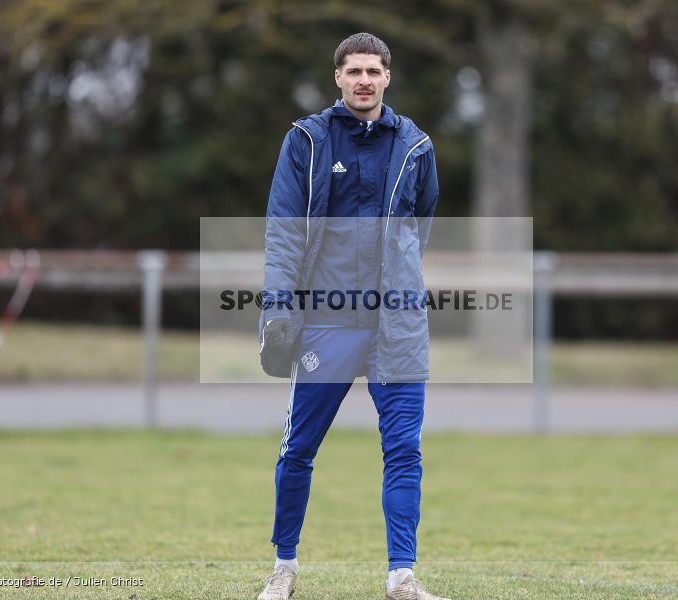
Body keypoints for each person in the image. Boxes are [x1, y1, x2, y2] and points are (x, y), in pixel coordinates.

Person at [255, 33, 449, 600]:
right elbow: (283, 233)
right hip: (327, 323)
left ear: (388, 77)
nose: (364, 79)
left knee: (405, 450)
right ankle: (284, 568)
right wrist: (278, 308)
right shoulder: (306, 141)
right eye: (353, 70)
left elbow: (422, 225)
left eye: (374, 70)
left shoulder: (416, 146)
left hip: (398, 326)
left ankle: (402, 578)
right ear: (337, 78)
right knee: (298, 449)